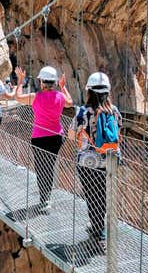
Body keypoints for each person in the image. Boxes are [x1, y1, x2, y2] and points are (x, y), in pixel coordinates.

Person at [69, 72, 121, 241]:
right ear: (108, 92)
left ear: (89, 92)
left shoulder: (83, 112)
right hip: (109, 159)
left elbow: (71, 135)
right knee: (102, 193)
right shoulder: (114, 111)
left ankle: (97, 228)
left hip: (87, 161)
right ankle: (100, 228)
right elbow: (117, 133)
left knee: (91, 195)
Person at [14, 65, 73, 212]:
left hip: (39, 137)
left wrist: (20, 81)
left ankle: (44, 199)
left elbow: (17, 97)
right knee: (50, 166)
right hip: (57, 137)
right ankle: (47, 197)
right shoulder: (60, 96)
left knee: (41, 168)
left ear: (41, 82)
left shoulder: (35, 97)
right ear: (54, 83)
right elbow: (70, 103)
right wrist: (63, 87)